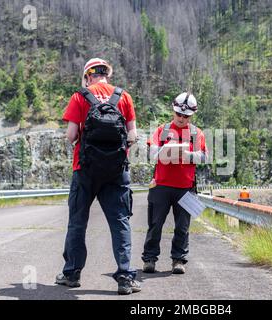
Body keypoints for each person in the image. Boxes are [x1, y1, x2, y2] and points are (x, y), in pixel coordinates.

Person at [55, 58, 141, 295]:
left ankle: (71, 274)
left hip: (85, 169)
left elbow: (71, 136)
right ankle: (125, 277)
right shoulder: (124, 97)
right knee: (120, 221)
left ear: (88, 76)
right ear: (107, 75)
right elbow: (132, 136)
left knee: (77, 222)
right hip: (116, 171)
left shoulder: (80, 96)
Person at [142, 92, 208, 274]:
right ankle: (149, 259)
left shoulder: (196, 133)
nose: (181, 118)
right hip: (161, 186)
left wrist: (189, 156)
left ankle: (178, 260)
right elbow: (151, 153)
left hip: (185, 188)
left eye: (186, 116)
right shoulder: (161, 130)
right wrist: (163, 152)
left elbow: (204, 157)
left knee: (182, 227)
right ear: (174, 111)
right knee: (155, 225)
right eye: (179, 114)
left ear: (192, 115)